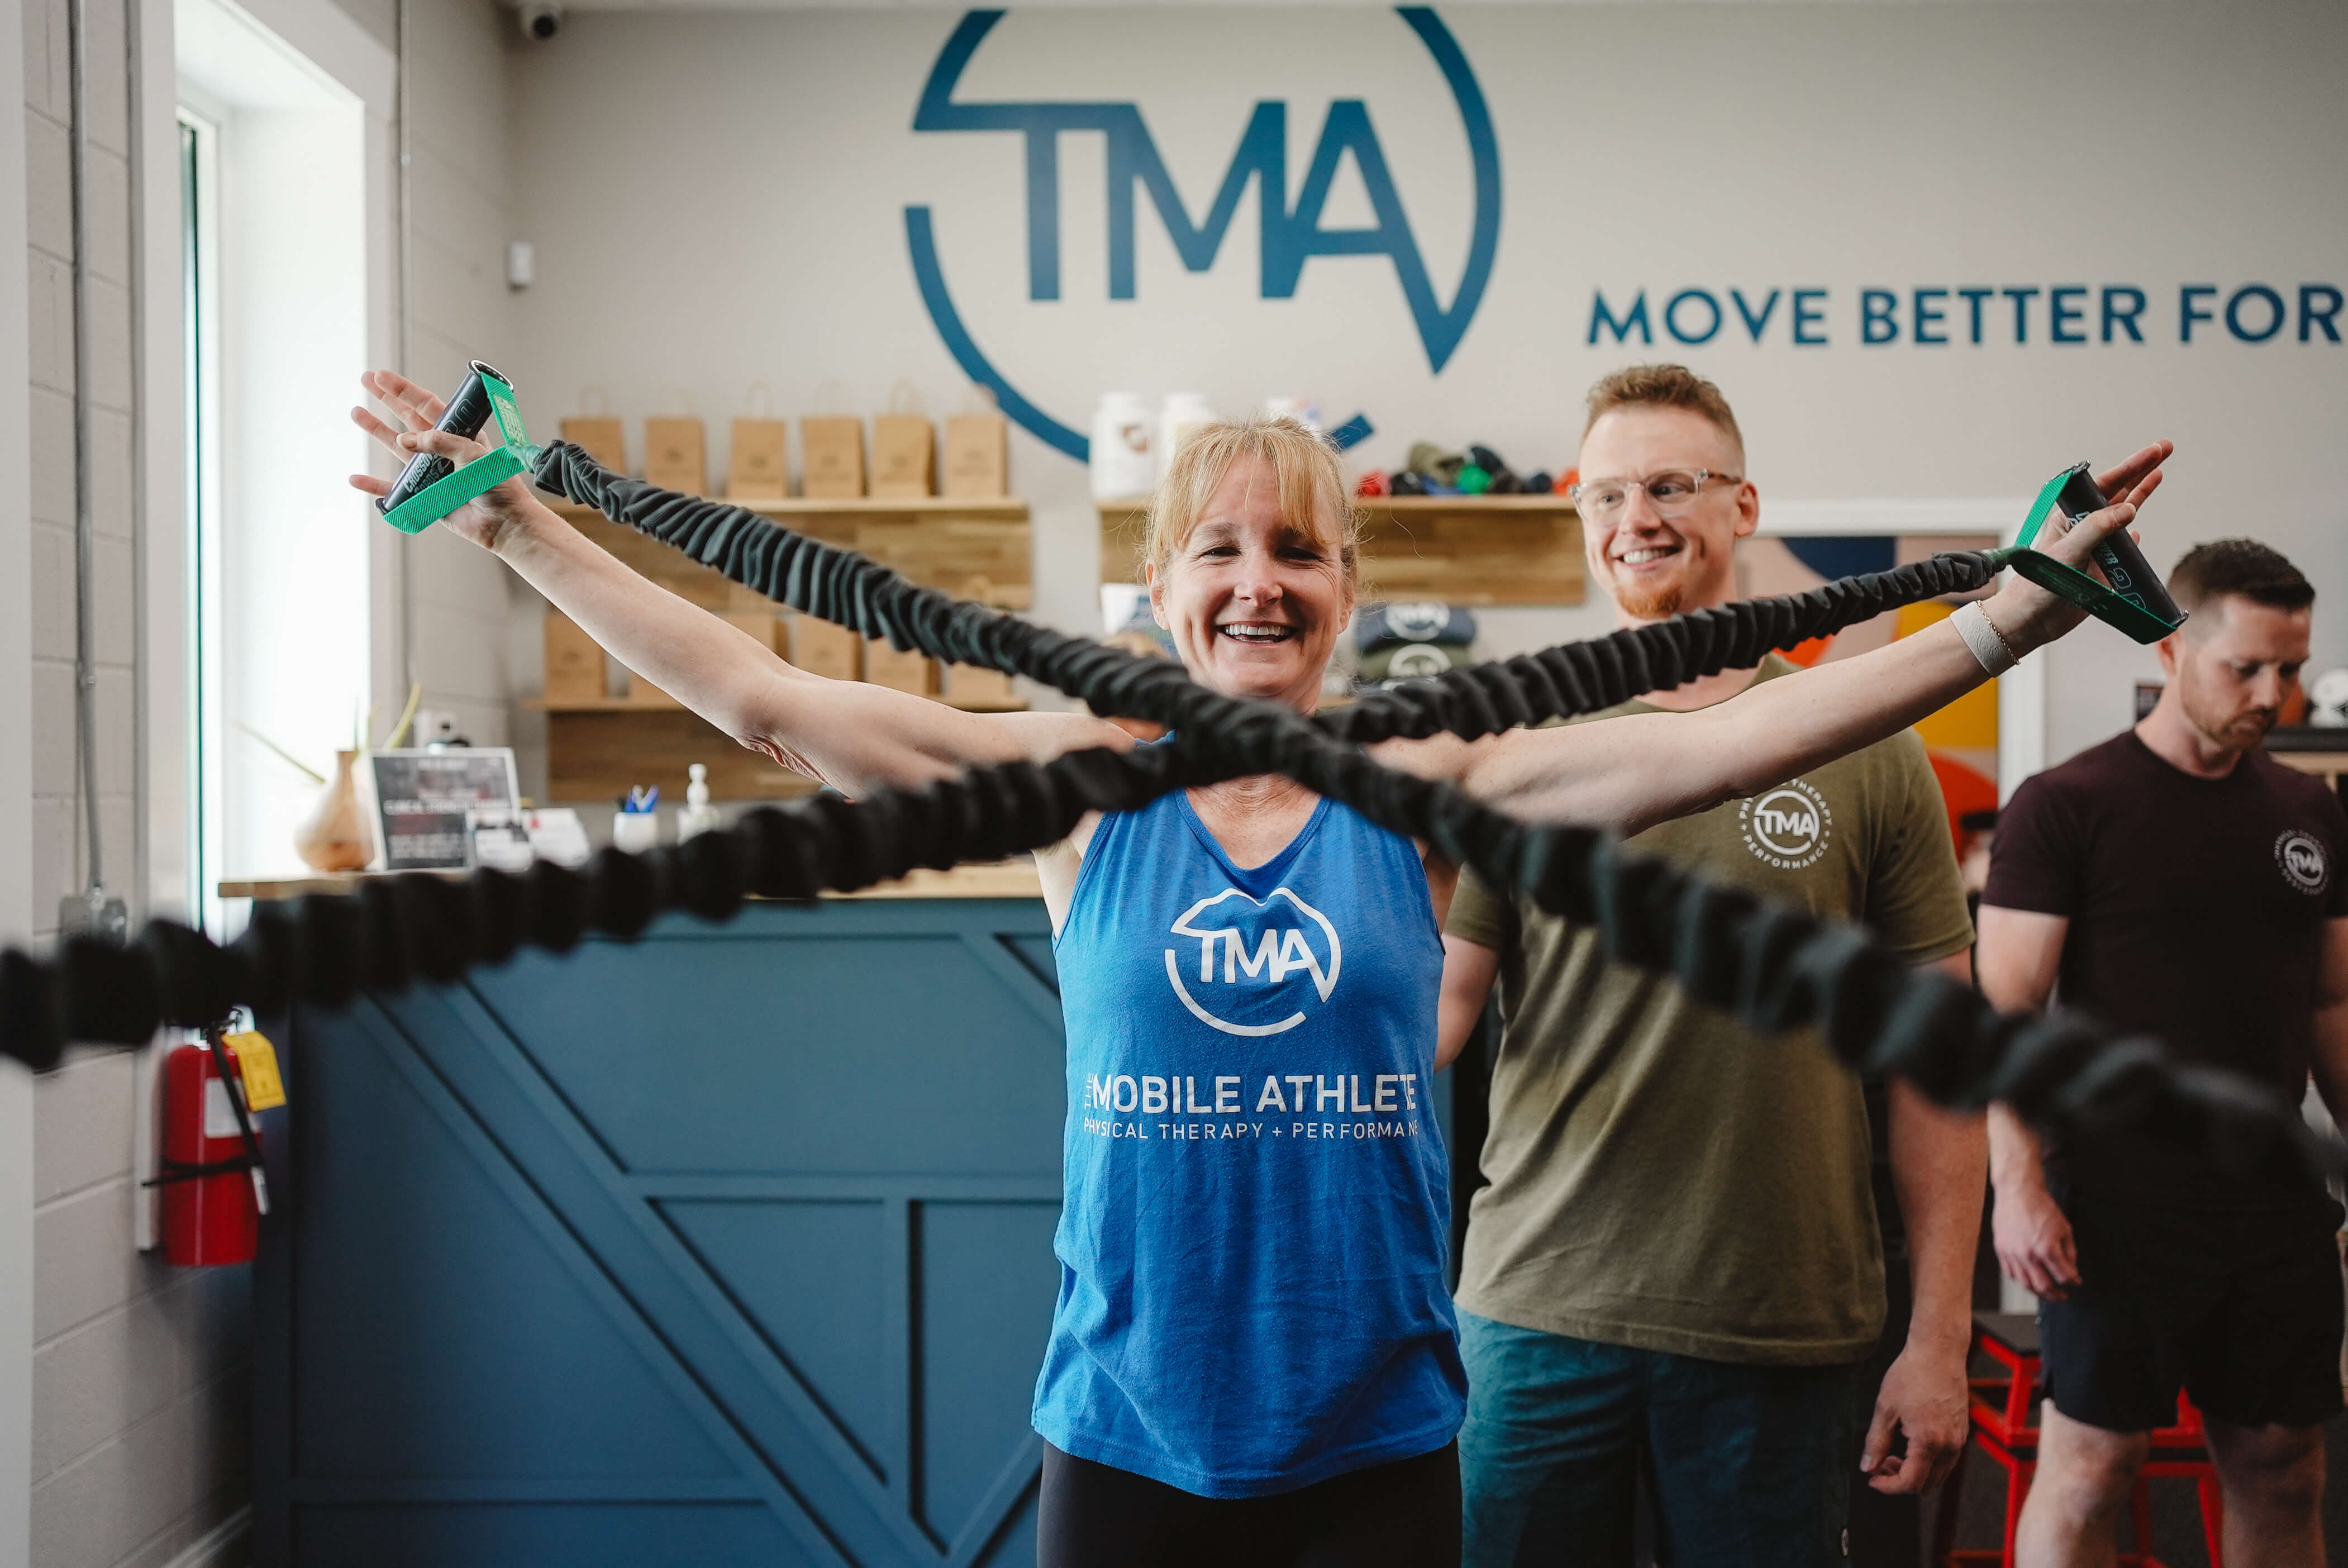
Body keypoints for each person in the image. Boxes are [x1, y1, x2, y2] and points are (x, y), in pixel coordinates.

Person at [350, 368, 2165, 1568]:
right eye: (1217, 546)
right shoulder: (1075, 785)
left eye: (1297, 548)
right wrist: (513, 520)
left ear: (1346, 589)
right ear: (1159, 591)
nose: (1257, 578)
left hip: (1376, 1438)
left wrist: (2015, 604)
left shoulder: (1432, 780)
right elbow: (765, 696)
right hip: (1127, 1439)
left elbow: (1738, 742)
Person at [1436, 364, 1988, 1567]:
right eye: (1603, 493)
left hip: (1775, 1326)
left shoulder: (1865, 741)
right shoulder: (1521, 747)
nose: (1632, 518)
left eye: (1669, 486)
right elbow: (1429, 1021)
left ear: (1743, 509)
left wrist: (1938, 1333)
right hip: (1535, 1312)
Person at [1980, 540, 2348, 1568]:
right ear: (2176, 648)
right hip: (2113, 1205)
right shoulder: (2068, 806)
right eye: (2248, 668)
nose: (2275, 696)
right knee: (2094, 1468)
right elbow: (2005, 1011)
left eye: (2293, 669)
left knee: (2286, 1468)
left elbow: (2332, 1003)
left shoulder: (2309, 813)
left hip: (2274, 1205)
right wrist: (2016, 1187)